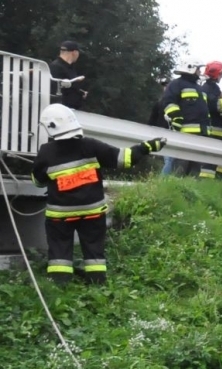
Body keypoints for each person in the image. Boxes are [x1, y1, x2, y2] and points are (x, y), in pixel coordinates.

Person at [31, 105, 164, 284]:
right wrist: (146, 147)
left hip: (60, 216)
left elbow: (38, 182)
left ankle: (59, 285)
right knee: (94, 250)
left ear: (49, 127)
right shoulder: (90, 145)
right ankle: (97, 284)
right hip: (92, 212)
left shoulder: (46, 152)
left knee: (59, 251)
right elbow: (124, 159)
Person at [158, 63, 210, 176]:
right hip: (184, 134)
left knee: (195, 169)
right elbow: (168, 102)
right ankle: (174, 186)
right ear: (191, 68)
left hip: (200, 135)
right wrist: (176, 117)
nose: (200, 72)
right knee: (179, 167)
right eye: (198, 69)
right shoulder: (176, 84)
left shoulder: (199, 88)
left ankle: (190, 187)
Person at [48, 41, 88, 110]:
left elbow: (70, 87)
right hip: (61, 110)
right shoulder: (56, 67)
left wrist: (81, 93)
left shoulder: (70, 67)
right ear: (74, 53)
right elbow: (55, 90)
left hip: (70, 109)